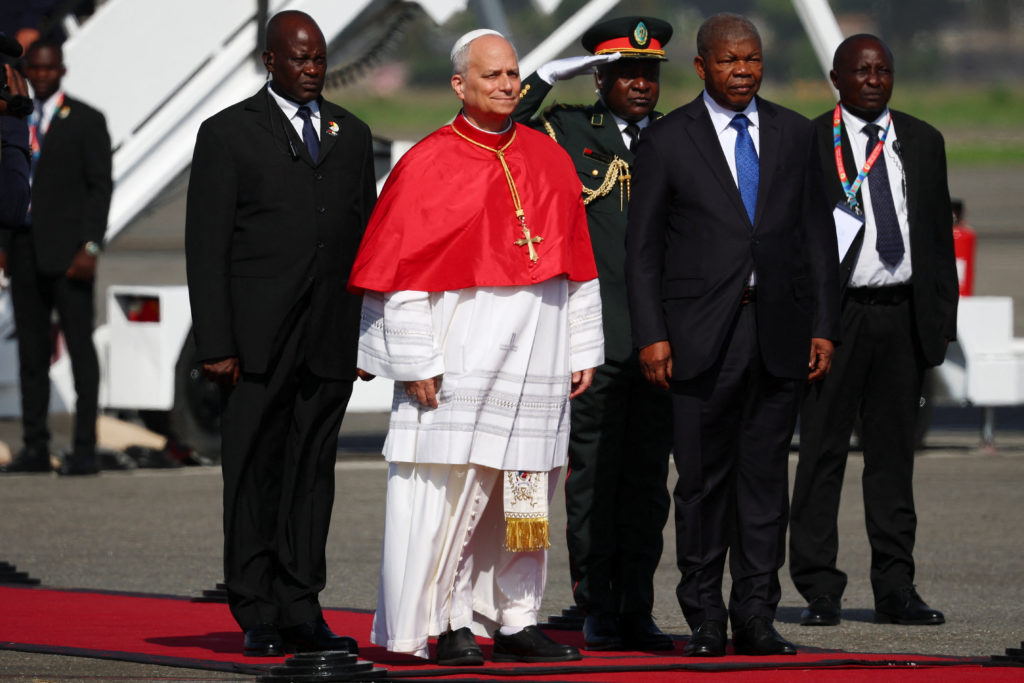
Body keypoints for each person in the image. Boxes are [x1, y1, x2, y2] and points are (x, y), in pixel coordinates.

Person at [349, 29, 603, 666]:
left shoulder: (549, 158)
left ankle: (517, 614)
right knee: (456, 493)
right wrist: (415, 362)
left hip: (539, 358)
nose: (507, 85)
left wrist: (581, 346)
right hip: (464, 357)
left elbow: (576, 263)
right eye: (491, 75)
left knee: (526, 493)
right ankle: (452, 617)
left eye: (513, 74)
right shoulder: (428, 162)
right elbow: (401, 273)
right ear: (460, 84)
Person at [625, 13, 840, 657]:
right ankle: (705, 617)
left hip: (777, 331)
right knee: (701, 485)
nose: (742, 71)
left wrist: (823, 326)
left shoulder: (796, 135)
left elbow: (817, 240)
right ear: (701, 67)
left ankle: (755, 614)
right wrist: (652, 335)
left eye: (752, 60)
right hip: (696, 338)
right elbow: (642, 253)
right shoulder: (666, 141)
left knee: (765, 483)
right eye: (728, 61)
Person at [184, 10, 376, 657]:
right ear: (271, 60)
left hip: (326, 337)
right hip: (256, 343)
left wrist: (368, 339)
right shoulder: (229, 134)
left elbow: (368, 241)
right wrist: (216, 343)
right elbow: (205, 247)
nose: (312, 69)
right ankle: (255, 605)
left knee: (311, 474)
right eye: (299, 58)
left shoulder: (351, 135)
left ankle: (301, 602)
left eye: (319, 58)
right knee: (253, 476)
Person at [512, 15, 675, 652]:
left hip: (660, 342)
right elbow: (503, 127)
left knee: (646, 484)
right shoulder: (569, 129)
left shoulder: (675, 136)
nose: (641, 84)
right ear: (599, 77)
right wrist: (547, 77)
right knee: (592, 480)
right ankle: (597, 604)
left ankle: (638, 604)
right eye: (626, 73)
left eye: (650, 73)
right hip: (592, 341)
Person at [788, 34, 957, 628]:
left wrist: (939, 325)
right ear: (836, 78)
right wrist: (810, 325)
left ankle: (896, 588)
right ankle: (819, 589)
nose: (873, 80)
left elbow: (937, 238)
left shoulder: (923, 140)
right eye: (860, 71)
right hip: (835, 322)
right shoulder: (808, 141)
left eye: (883, 70)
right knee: (822, 457)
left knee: (892, 460)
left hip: (902, 318)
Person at [0, 39, 110, 476]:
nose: (42, 76)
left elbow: (100, 188)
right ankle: (34, 445)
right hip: (24, 248)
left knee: (81, 351)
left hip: (70, 256)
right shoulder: (12, 116)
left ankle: (84, 447)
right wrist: (5, 246)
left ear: (62, 71)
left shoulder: (85, 120)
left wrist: (91, 247)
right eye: (35, 70)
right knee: (31, 353)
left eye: (49, 70)